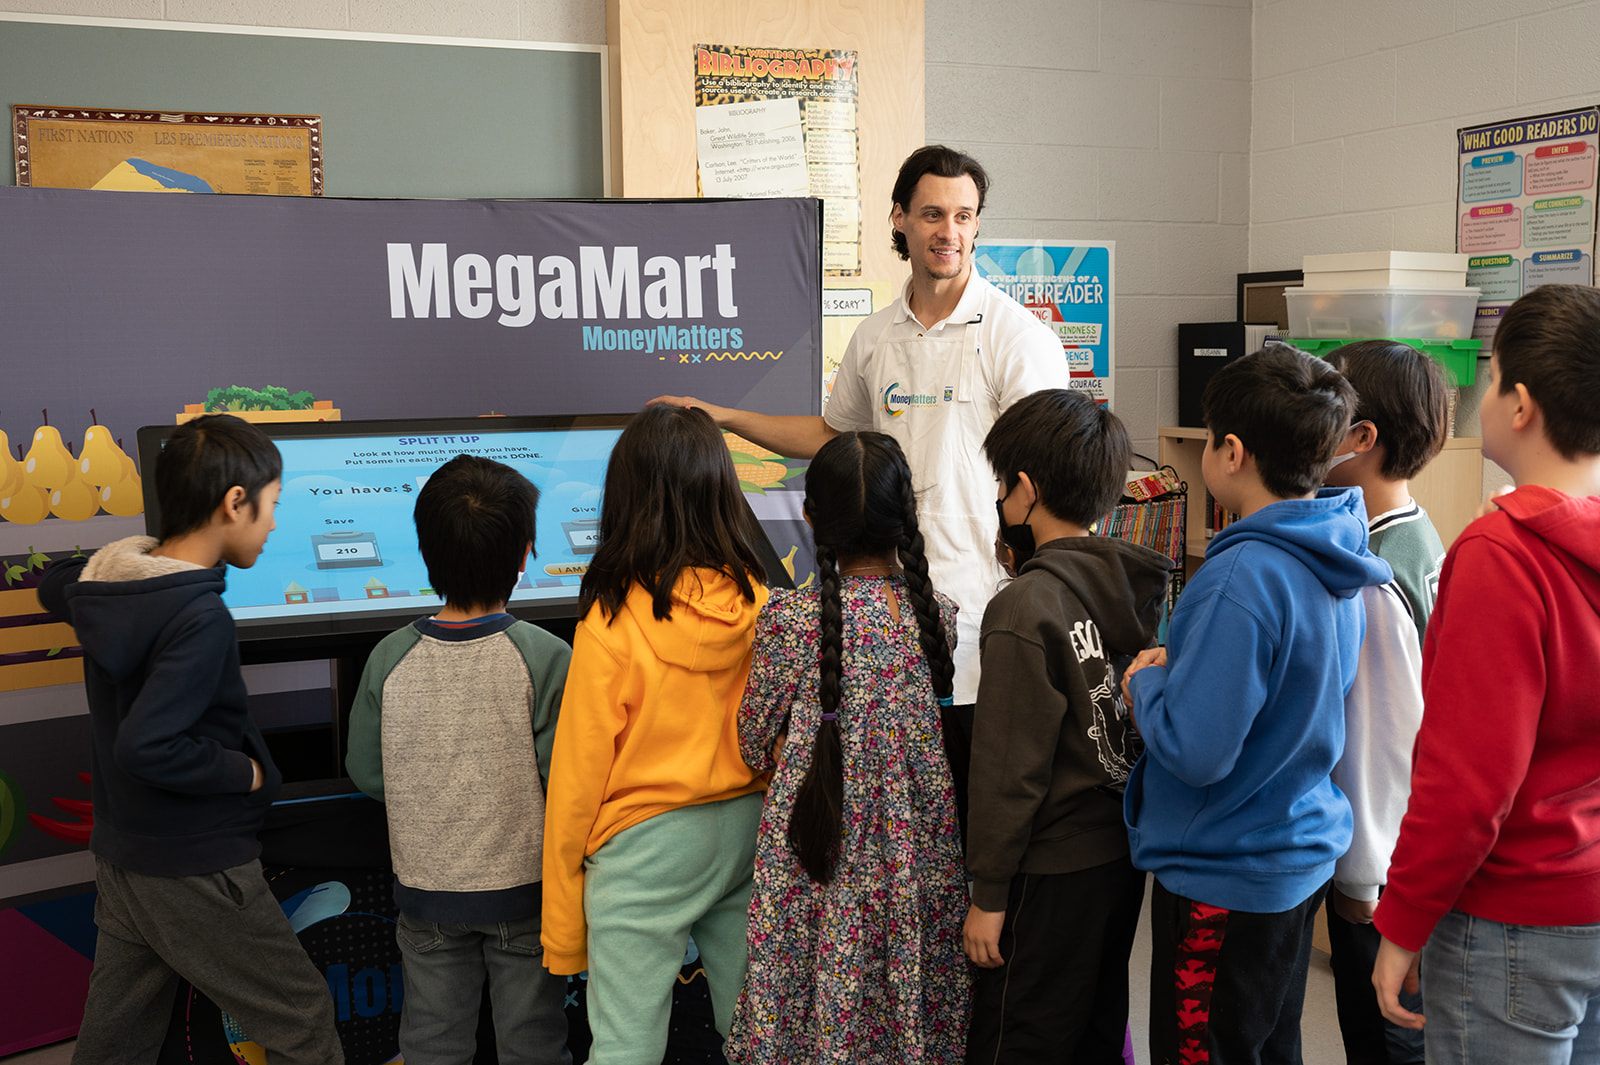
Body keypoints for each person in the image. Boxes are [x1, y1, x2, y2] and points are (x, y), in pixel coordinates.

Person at [655, 144, 1069, 827]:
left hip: (980, 629)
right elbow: (829, 436)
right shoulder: (875, 337)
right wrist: (724, 416)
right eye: (933, 214)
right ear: (900, 219)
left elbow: (1048, 475)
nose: (950, 231)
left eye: (965, 216)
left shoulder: (1016, 336)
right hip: (884, 629)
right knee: (893, 836)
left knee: (965, 833)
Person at [36, 413, 343, 1065]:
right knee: (304, 1021)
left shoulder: (112, 585)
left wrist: (111, 561)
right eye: (272, 508)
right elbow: (148, 745)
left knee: (120, 1036)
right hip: (195, 864)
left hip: (126, 855)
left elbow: (54, 580)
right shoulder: (200, 617)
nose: (274, 524)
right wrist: (246, 774)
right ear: (235, 502)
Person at [1120, 346, 1391, 1065]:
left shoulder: (1238, 573)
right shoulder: (1335, 552)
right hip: (1293, 862)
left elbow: (1199, 747)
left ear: (1230, 451)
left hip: (1223, 873)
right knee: (1270, 1046)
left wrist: (1145, 684)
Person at [1372, 283, 1600, 1063]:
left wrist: (1402, 920)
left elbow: (1469, 784)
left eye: (1492, 375)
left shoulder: (1502, 555)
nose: (1486, 391)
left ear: (1522, 404)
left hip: (1515, 916)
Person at [725, 431, 968, 1064]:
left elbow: (753, 740)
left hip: (815, 848)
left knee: (807, 1003)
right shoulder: (934, 614)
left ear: (810, 518)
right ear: (905, 518)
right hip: (913, 856)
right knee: (903, 1002)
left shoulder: (789, 621)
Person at [541, 403, 771, 1064]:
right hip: (748, 830)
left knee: (625, 1047)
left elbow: (577, 781)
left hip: (644, 849)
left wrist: (563, 927)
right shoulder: (757, 601)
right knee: (756, 1032)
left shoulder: (611, 622)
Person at [964, 389, 1172, 1063]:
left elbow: (1007, 771)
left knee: (1018, 1036)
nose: (999, 501)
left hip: (1047, 871)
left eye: (1003, 485)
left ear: (1024, 490)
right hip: (1115, 855)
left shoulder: (1024, 605)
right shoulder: (1133, 585)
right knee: (1094, 1029)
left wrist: (988, 894)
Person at [345, 454, 571, 1064]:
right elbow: (564, 781)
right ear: (526, 552)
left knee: (431, 1043)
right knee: (533, 1043)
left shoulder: (388, 658)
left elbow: (367, 773)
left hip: (425, 893)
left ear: (424, 552)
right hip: (526, 895)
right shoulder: (546, 657)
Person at [1318, 340, 1450, 1065]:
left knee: (1386, 1040)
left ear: (1360, 440)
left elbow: (1382, 739)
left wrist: (1365, 876)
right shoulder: (1418, 533)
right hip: (1405, 853)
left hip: (1382, 868)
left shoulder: (1371, 576)